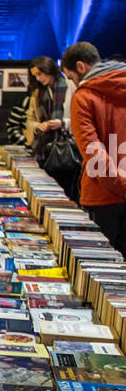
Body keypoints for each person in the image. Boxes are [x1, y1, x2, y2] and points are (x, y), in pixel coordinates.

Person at [66, 41, 126, 252]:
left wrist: (120, 184)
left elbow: (94, 152)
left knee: (101, 263)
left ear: (81, 67)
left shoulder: (83, 97)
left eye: (71, 77)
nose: (73, 83)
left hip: (103, 194)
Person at [22, 55, 79, 198]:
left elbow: (82, 119)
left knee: (65, 192)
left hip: (65, 150)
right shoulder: (38, 92)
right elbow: (29, 120)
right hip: (44, 150)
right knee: (45, 193)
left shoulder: (70, 86)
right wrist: (38, 126)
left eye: (39, 74)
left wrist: (63, 123)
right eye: (35, 76)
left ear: (48, 69)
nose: (38, 79)